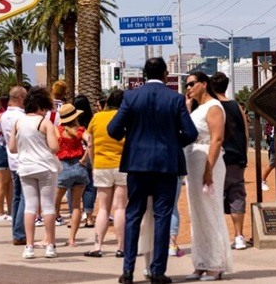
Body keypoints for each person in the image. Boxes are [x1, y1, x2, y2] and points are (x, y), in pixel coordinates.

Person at [108, 58, 198, 284]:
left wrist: (132, 136)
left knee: (133, 215)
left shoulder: (130, 96)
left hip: (137, 164)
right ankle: (158, 271)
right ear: (166, 74)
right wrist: (172, 141)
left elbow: (113, 129)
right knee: (162, 216)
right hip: (166, 165)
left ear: (145, 73)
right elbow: (190, 133)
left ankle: (127, 271)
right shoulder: (175, 99)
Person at [183, 71, 233, 281]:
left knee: (210, 211)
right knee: (197, 214)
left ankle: (216, 263)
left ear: (204, 84)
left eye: (192, 83)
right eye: (187, 84)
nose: (189, 87)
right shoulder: (197, 108)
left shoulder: (213, 107)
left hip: (206, 161)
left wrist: (208, 169)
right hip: (193, 163)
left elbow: (217, 138)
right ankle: (201, 261)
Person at [10, 86, 60, 259]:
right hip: (45, 167)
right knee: (47, 205)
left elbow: (12, 148)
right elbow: (54, 147)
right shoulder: (45, 123)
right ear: (40, 106)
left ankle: (29, 247)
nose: (46, 112)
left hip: (25, 167)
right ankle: (50, 246)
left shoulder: (18, 123)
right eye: (45, 108)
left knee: (30, 206)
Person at [84, 89, 127, 258]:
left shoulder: (97, 117)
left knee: (102, 208)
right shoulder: (126, 118)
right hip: (122, 165)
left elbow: (90, 144)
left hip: (101, 165)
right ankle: (121, 247)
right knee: (120, 208)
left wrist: (94, 165)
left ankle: (97, 246)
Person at [210, 72, 249, 250]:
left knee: (213, 198)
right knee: (237, 196)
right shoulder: (236, 106)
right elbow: (246, 134)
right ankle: (239, 236)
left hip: (217, 158)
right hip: (236, 159)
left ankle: (217, 237)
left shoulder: (211, 107)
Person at [52, 103, 89, 247]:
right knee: (76, 206)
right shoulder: (80, 130)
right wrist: (84, 159)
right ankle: (72, 239)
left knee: (54, 205)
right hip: (79, 168)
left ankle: (51, 238)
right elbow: (91, 142)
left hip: (63, 167)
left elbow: (52, 147)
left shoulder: (57, 130)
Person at [0, 86, 28, 245]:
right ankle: (19, 233)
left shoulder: (4, 116)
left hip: (12, 160)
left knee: (17, 196)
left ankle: (17, 231)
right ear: (20, 98)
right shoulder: (21, 117)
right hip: (23, 159)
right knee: (24, 197)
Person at [73, 94, 97, 228]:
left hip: (73, 157)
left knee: (73, 188)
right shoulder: (92, 120)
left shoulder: (71, 122)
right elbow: (91, 141)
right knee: (89, 188)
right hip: (88, 157)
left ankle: (73, 217)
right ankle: (89, 217)